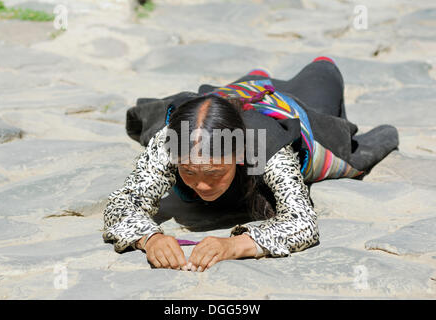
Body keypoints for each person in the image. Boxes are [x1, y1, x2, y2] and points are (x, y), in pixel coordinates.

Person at [102, 57, 399, 272]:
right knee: (225, 99)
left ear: (241, 155)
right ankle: (252, 81)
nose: (202, 185)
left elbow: (303, 224)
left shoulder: (267, 148)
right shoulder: (172, 141)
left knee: (323, 70)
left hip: (290, 108)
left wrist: (234, 247)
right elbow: (122, 203)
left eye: (215, 172)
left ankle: (269, 81)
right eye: (188, 171)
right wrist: (149, 238)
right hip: (230, 102)